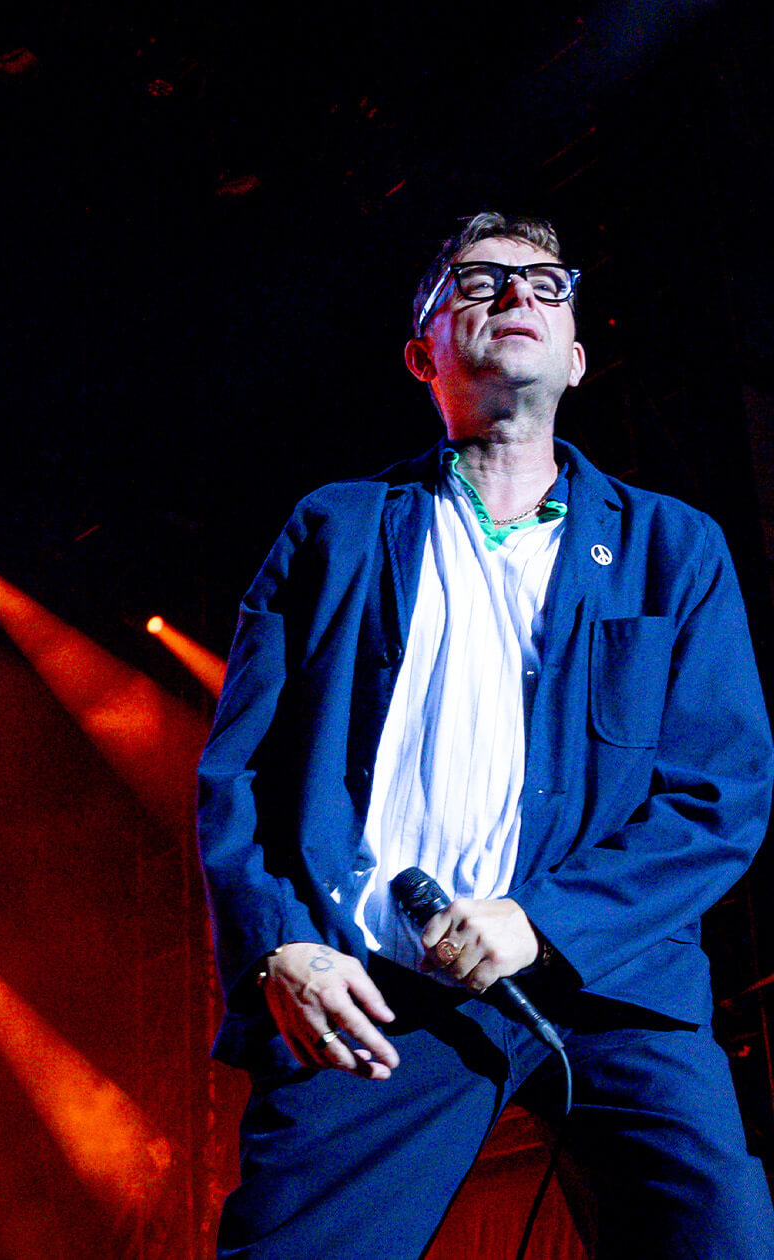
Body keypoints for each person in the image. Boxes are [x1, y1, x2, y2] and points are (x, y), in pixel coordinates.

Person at [197, 213, 774, 1258]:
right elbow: (239, 772)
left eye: (543, 286)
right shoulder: (332, 528)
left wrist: (541, 920)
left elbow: (716, 794)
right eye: (477, 283)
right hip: (374, 986)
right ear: (422, 354)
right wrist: (278, 948)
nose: (514, 297)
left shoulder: (671, 547)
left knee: (718, 1238)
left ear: (577, 356)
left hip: (612, 982)